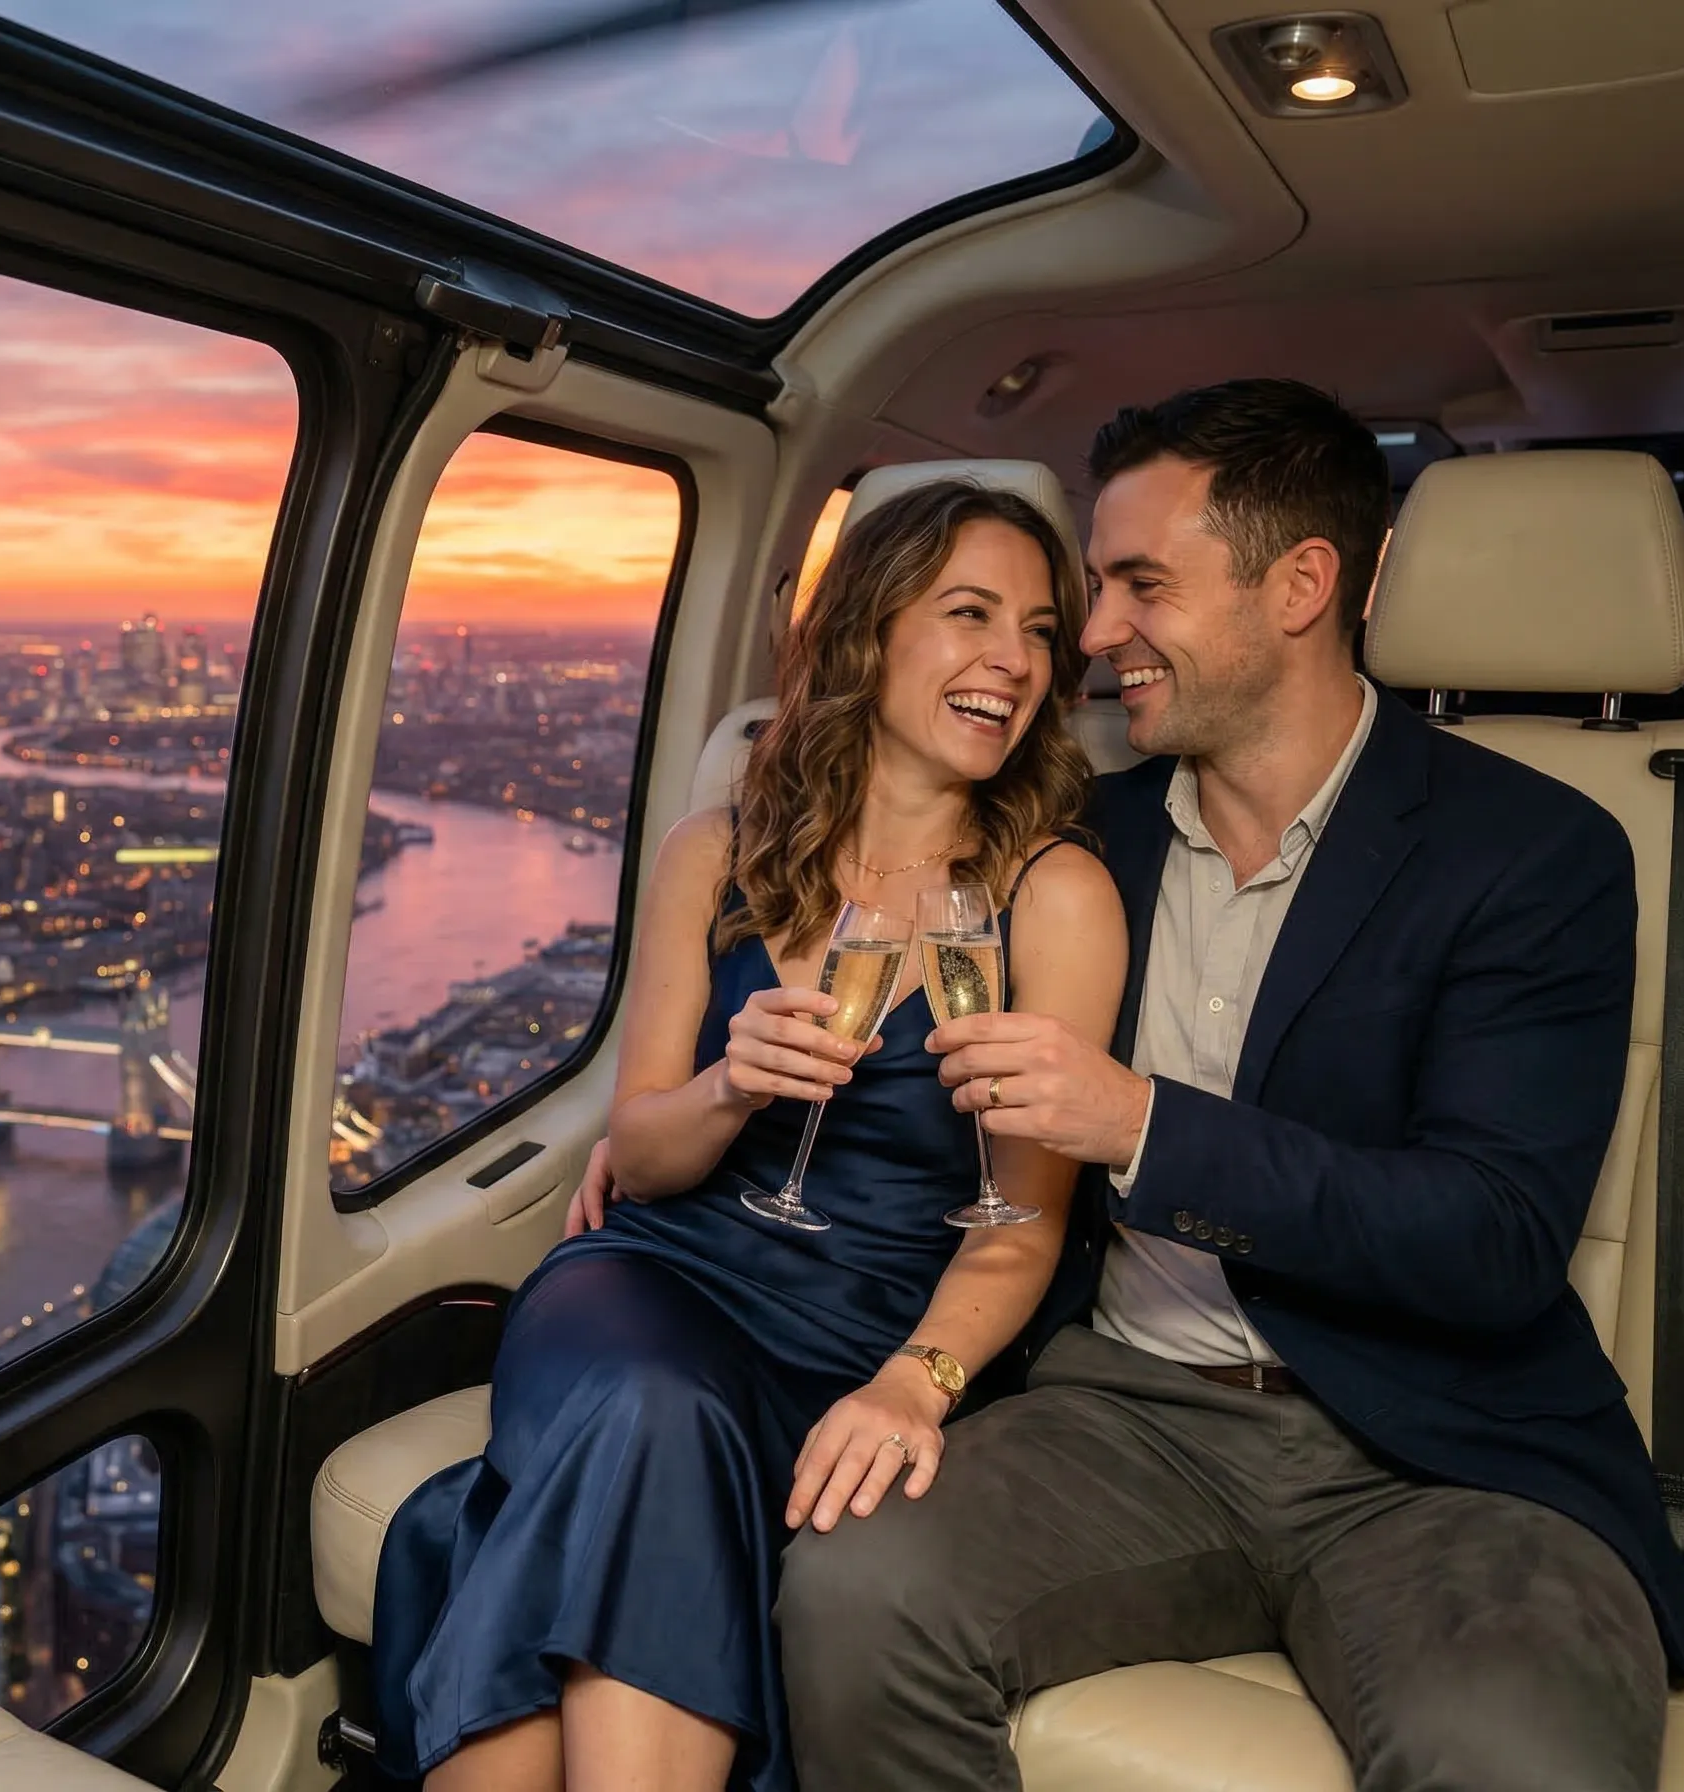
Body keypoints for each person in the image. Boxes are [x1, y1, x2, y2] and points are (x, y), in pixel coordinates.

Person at [760, 380, 1684, 1790]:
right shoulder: (1072, 836)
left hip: (1441, 1460)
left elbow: (1493, 1240)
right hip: (1122, 1414)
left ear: (1302, 585)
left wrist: (1141, 1126)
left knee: (1515, 1756)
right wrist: (682, 1122)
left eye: (1141, 585)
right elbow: (859, 897)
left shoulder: (1534, 855)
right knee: (850, 1590)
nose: (1095, 631)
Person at [369, 480, 1129, 1792]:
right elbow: (647, 1155)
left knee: (613, 1473)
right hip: (655, 1280)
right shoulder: (710, 855)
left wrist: (916, 1384)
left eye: (1042, 630)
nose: (1016, 657)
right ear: (867, 634)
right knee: (656, 1407)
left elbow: (1029, 1222)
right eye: (970, 613)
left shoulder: (1054, 897)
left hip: (876, 1325)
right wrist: (729, 1087)